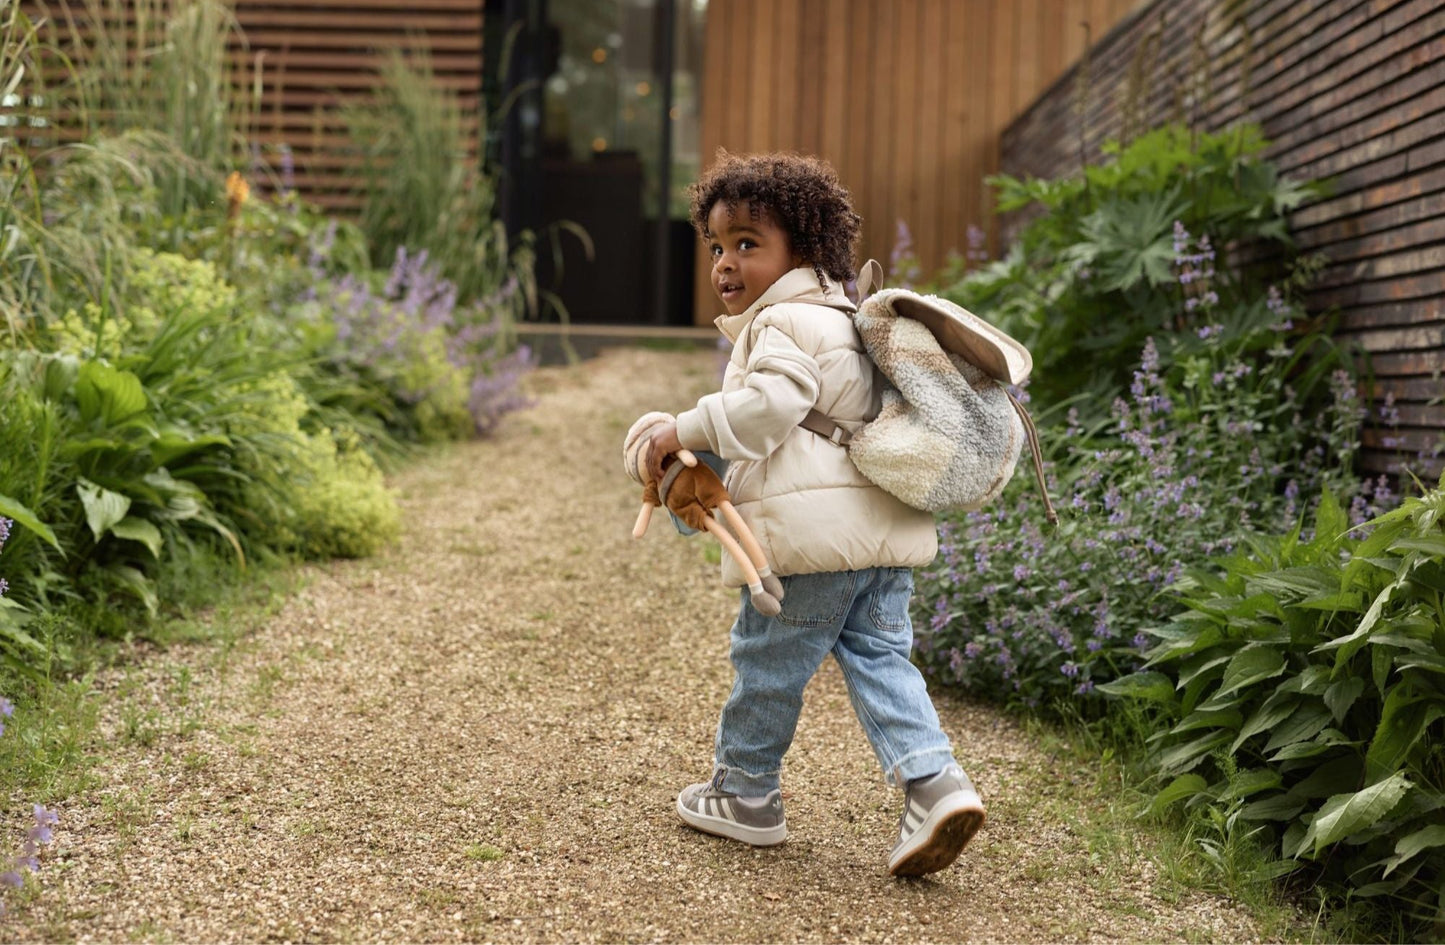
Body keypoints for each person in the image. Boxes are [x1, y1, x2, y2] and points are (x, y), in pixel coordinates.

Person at [641, 151, 985, 877]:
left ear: (802, 247)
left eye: (746, 243)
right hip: (884, 536)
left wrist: (683, 429)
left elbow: (769, 411)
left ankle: (745, 795)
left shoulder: (782, 324)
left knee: (766, 664)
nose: (725, 264)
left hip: (813, 546)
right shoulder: (851, 319)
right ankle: (935, 782)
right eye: (715, 246)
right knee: (879, 657)